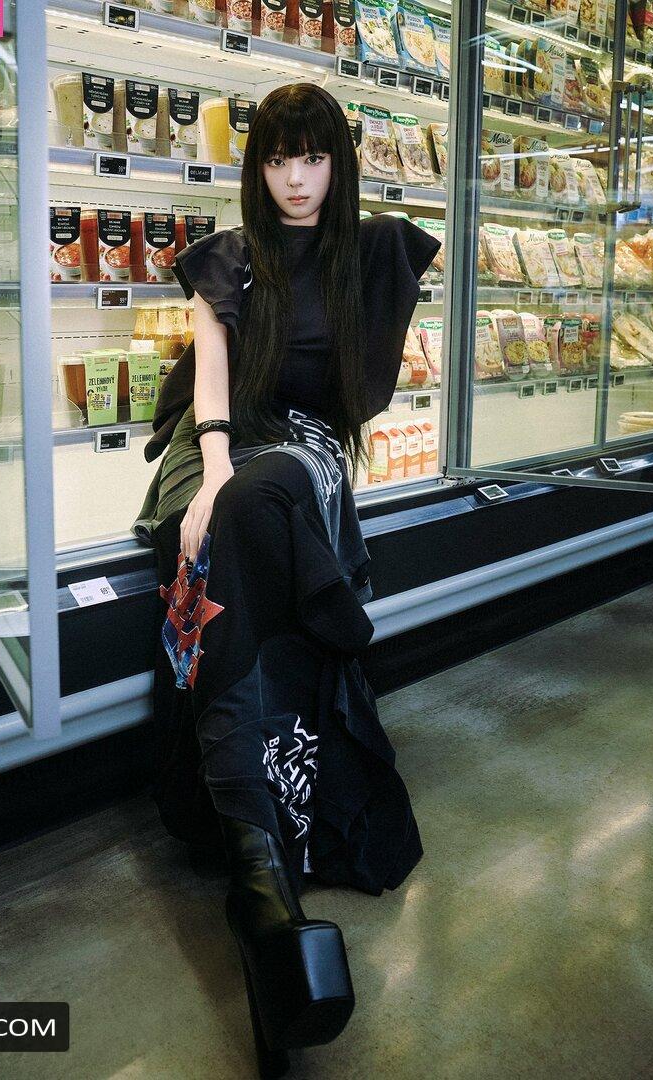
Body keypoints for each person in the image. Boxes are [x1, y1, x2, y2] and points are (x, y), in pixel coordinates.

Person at [133, 83, 440, 1077]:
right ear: (255, 167)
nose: (295, 178)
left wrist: (236, 492)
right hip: (216, 443)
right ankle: (266, 886)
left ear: (338, 163)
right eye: (276, 158)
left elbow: (355, 398)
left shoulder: (371, 251)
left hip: (303, 447)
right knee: (233, 513)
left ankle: (254, 878)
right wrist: (212, 477)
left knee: (257, 509)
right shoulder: (227, 258)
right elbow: (211, 386)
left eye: (313, 157)